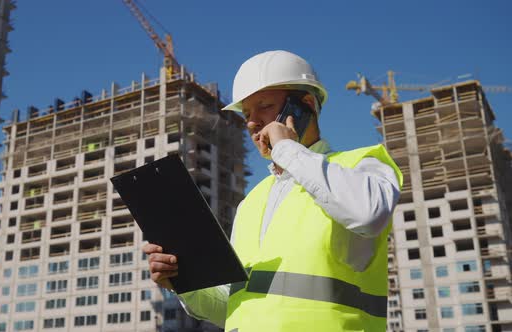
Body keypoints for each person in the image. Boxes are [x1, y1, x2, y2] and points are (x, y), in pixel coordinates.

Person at [143, 50, 402, 331]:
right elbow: (233, 308)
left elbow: (368, 214)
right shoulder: (251, 202)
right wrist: (183, 284)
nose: (252, 122)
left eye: (264, 106)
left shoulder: (360, 165)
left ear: (306, 105)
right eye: (246, 114)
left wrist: (287, 148)